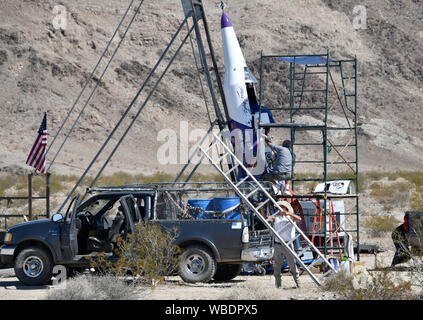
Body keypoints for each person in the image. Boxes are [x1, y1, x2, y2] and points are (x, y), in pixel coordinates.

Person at [267, 200, 301, 289]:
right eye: (279, 207)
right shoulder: (276, 218)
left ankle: (298, 284)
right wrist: (262, 209)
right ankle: (278, 286)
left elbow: (299, 219)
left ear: (285, 208)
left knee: (292, 265)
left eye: (281, 207)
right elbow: (266, 219)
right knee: (277, 266)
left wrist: (288, 214)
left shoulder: (290, 217)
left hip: (288, 244)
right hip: (278, 244)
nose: (279, 209)